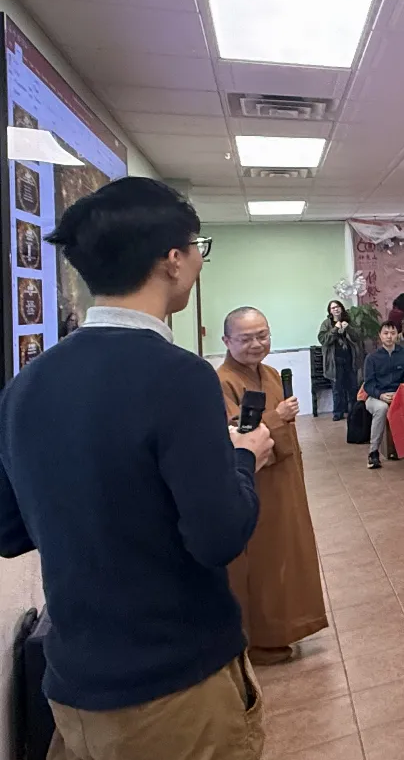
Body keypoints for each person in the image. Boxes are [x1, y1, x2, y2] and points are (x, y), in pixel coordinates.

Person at [0, 177, 272, 759]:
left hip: (73, 684)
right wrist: (242, 459)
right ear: (173, 260)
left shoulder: (27, 384)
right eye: (198, 246)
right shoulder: (178, 376)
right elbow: (219, 536)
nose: (199, 258)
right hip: (172, 687)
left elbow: (10, 528)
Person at [219, 308, 327, 667]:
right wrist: (277, 417)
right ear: (227, 342)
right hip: (255, 482)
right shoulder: (222, 382)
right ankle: (259, 639)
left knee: (288, 553)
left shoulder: (269, 374)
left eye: (262, 335)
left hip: (284, 478)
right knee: (261, 561)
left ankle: (286, 628)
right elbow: (236, 435)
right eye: (246, 338)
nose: (256, 344)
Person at [363, 320, 404, 469]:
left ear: (397, 335)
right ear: (380, 336)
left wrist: (399, 394)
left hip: (400, 394)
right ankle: (373, 453)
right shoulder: (371, 358)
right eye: (385, 333)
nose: (389, 336)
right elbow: (368, 384)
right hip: (376, 396)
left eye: (393, 333)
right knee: (381, 409)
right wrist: (380, 395)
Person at [318, 300, 362, 421]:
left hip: (349, 359)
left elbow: (357, 337)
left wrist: (349, 329)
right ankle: (338, 413)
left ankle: (352, 411)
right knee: (337, 389)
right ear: (330, 311)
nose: (336, 309)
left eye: (337, 307)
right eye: (333, 308)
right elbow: (323, 340)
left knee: (352, 387)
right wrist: (335, 329)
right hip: (334, 361)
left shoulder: (349, 322)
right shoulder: (326, 324)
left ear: (341, 308)